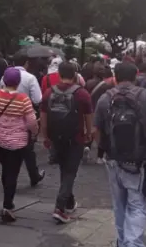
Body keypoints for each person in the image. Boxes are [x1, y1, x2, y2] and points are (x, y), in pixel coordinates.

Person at [93, 61, 146, 247]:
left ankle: (122, 241)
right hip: (138, 160)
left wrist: (104, 147)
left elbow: (96, 130)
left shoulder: (105, 98)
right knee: (137, 205)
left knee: (119, 205)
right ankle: (133, 243)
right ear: (136, 76)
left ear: (115, 76)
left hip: (114, 158)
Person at [40, 61, 93, 224]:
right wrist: (88, 133)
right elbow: (88, 116)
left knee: (65, 169)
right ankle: (60, 207)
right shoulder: (82, 94)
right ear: (76, 74)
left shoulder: (49, 93)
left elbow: (43, 117)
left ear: (60, 74)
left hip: (56, 137)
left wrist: (45, 136)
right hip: (75, 138)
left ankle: (69, 202)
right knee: (70, 172)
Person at [0, 67, 39, 222]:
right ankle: (7, 206)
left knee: (6, 169)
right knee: (12, 172)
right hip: (17, 142)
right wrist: (34, 132)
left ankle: (7, 200)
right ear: (18, 82)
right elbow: (31, 122)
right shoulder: (23, 99)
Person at [0, 51, 45, 186]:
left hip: (7, 117)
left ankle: (8, 176)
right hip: (25, 117)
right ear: (26, 63)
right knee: (28, 149)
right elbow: (38, 99)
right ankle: (33, 175)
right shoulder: (30, 78)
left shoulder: (3, 77)